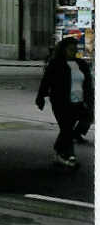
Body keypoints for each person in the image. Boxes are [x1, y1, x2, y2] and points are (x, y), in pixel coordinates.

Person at [36, 37, 94, 167]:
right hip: (61, 102)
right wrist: (40, 97)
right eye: (70, 49)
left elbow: (87, 84)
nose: (73, 52)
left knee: (69, 129)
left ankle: (58, 151)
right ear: (63, 50)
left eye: (75, 49)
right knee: (66, 128)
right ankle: (69, 156)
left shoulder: (81, 64)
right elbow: (46, 81)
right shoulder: (56, 64)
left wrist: (89, 100)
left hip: (78, 102)